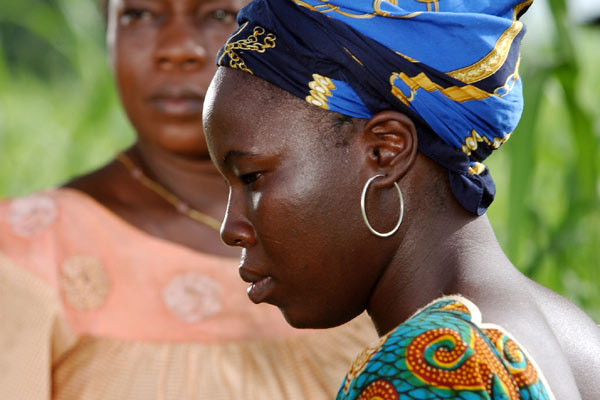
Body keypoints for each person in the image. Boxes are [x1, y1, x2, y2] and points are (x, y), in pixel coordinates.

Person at [202, 0, 600, 399]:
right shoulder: (574, 335)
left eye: (251, 178)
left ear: (385, 152)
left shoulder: (436, 366)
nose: (230, 229)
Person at [0, 0, 376, 398]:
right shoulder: (24, 254)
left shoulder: (377, 226)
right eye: (139, 14)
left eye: (219, 15)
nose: (177, 49)